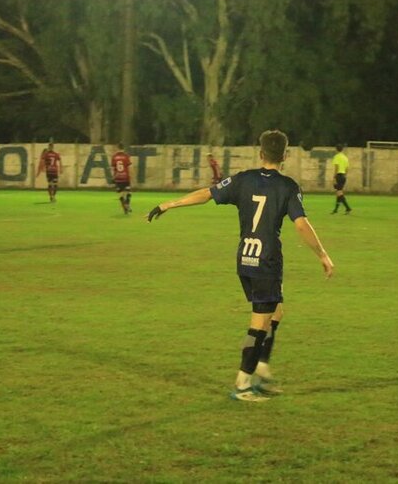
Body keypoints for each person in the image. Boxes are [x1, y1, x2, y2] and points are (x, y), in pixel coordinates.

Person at [147, 129, 334, 402]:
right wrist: (322, 254)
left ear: (260, 153)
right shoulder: (288, 187)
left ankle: (261, 368)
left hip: (245, 259)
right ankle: (243, 384)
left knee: (276, 312)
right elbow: (302, 224)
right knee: (259, 324)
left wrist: (169, 204)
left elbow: (207, 194)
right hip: (266, 262)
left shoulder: (243, 180)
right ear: (285, 155)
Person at [111, 143, 132, 214]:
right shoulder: (126, 156)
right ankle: (127, 204)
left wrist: (113, 177)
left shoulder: (114, 157)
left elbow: (113, 168)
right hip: (126, 177)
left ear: (117, 148)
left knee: (120, 194)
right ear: (123, 148)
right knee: (128, 192)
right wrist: (131, 176)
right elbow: (129, 167)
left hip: (118, 177)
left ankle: (125, 208)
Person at [331, 143, 352, 214]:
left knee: (339, 192)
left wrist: (334, 177)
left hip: (339, 175)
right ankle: (336, 209)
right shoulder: (345, 157)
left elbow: (336, 167)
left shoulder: (336, 157)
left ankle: (348, 208)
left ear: (336, 149)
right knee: (338, 192)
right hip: (343, 176)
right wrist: (345, 175)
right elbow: (347, 168)